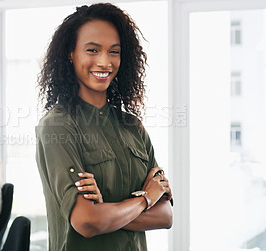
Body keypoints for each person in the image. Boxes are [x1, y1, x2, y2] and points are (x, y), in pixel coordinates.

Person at [36, 3, 173, 251]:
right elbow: (87, 222)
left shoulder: (133, 127)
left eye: (114, 52)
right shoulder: (57, 126)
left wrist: (105, 212)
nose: (104, 62)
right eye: (92, 50)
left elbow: (165, 217)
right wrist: (146, 199)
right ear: (71, 53)